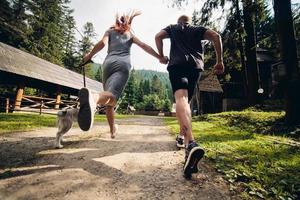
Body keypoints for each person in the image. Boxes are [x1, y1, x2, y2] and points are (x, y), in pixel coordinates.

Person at [155, 15, 224, 179]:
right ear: (189, 22)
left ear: (179, 22)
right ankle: (183, 139)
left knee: (181, 100)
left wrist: (161, 56)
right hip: (195, 67)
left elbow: (158, 36)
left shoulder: (173, 28)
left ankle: (190, 142)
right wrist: (219, 60)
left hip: (177, 65)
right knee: (187, 102)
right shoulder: (197, 29)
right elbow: (216, 36)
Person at [79, 11, 165, 138]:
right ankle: (93, 98)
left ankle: (113, 130)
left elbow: (102, 43)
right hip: (123, 65)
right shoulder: (130, 34)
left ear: (117, 22)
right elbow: (144, 46)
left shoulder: (109, 31)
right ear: (128, 24)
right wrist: (160, 57)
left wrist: (89, 56)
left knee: (109, 101)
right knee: (111, 96)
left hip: (107, 64)